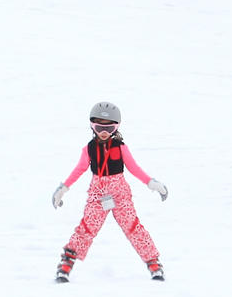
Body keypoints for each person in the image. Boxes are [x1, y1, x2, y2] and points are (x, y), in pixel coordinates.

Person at [51, 102, 169, 283]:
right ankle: (66, 264)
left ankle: (153, 263)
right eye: (99, 127)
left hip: (120, 193)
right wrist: (63, 188)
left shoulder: (121, 147)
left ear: (117, 127)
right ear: (92, 126)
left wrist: (151, 183)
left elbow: (134, 168)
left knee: (133, 227)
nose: (104, 131)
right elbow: (79, 169)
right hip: (98, 194)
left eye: (109, 127)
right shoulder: (89, 149)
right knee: (86, 228)